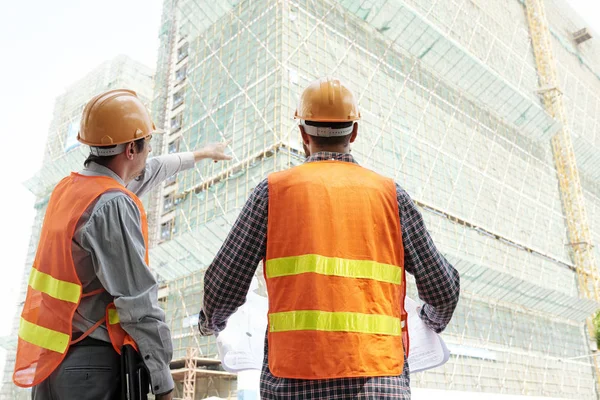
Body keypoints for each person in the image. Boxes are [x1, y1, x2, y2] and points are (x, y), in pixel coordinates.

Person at [198, 77, 460, 399]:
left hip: (293, 382)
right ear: (353, 132)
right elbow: (443, 290)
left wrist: (210, 325)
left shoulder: (273, 193)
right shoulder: (391, 197)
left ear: (303, 134)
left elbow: (223, 284)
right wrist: (429, 322)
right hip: (379, 383)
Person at [13, 89, 231, 400]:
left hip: (55, 363)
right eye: (147, 145)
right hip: (93, 366)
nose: (149, 152)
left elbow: (150, 170)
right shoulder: (112, 204)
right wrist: (163, 381)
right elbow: (138, 302)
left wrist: (200, 154)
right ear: (131, 149)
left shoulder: (72, 190)